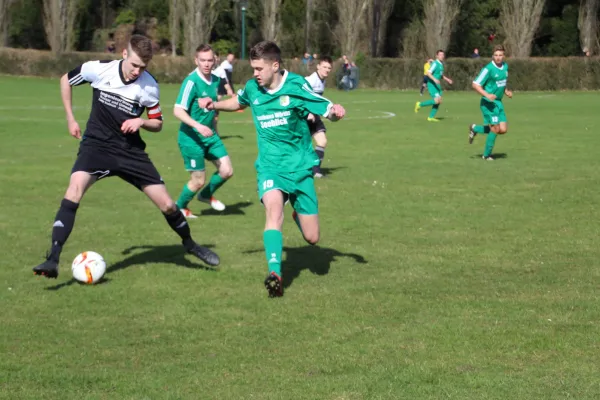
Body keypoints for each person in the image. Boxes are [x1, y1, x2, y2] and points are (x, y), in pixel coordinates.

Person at [32, 35, 219, 279]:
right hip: (96, 147)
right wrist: (70, 118)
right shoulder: (99, 70)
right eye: (134, 65)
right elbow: (65, 80)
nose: (137, 71)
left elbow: (158, 123)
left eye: (143, 67)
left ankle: (190, 244)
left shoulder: (149, 86)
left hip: (131, 153)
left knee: (168, 205)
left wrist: (141, 121)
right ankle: (52, 259)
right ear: (124, 54)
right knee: (73, 191)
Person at [198, 41, 346, 298]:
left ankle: (298, 215)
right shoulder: (254, 88)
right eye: (253, 68)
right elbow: (238, 102)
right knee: (273, 212)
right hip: (270, 168)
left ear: (275, 65)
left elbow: (323, 106)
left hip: (299, 168)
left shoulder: (297, 86)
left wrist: (334, 112)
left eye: (259, 68)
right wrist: (214, 104)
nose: (254, 74)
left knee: (312, 238)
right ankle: (275, 273)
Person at [173, 44, 234, 217]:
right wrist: (198, 126)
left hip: (211, 136)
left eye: (209, 60)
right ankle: (180, 207)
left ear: (215, 60)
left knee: (227, 171)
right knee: (198, 180)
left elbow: (213, 108)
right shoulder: (191, 82)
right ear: (196, 61)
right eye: (203, 60)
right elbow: (177, 110)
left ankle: (206, 196)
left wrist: (214, 128)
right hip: (191, 138)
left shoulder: (215, 80)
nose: (206, 64)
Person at [469, 44, 513, 160]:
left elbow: (502, 83)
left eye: (500, 55)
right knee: (495, 128)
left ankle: (475, 128)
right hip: (488, 103)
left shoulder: (505, 67)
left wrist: (506, 91)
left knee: (502, 129)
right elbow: (475, 84)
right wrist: (487, 94)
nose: (498, 57)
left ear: (504, 56)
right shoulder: (488, 69)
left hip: (498, 103)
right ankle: (486, 155)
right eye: (496, 55)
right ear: (492, 56)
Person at [305, 56, 333, 178]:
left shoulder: (323, 80)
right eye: (324, 67)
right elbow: (300, 97)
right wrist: (307, 113)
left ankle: (315, 171)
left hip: (314, 116)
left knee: (322, 141)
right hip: (303, 117)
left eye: (329, 68)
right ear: (318, 66)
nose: (327, 70)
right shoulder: (311, 80)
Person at [414, 49, 453, 122]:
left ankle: (430, 117)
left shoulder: (441, 65)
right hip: (432, 84)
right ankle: (419, 104)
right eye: (440, 55)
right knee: (436, 101)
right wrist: (434, 79)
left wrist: (448, 80)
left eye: (443, 55)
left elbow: (441, 75)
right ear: (437, 56)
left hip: (437, 85)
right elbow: (428, 73)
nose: (442, 56)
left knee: (439, 101)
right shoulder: (435, 63)